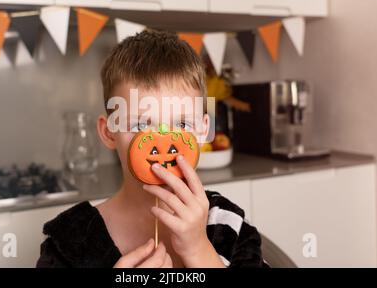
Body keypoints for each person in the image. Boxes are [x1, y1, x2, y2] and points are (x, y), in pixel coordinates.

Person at [36, 30, 267, 268]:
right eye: (140, 125)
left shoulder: (228, 225)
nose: (162, 143)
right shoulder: (69, 240)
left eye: (181, 124)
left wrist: (199, 250)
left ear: (203, 131)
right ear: (108, 133)